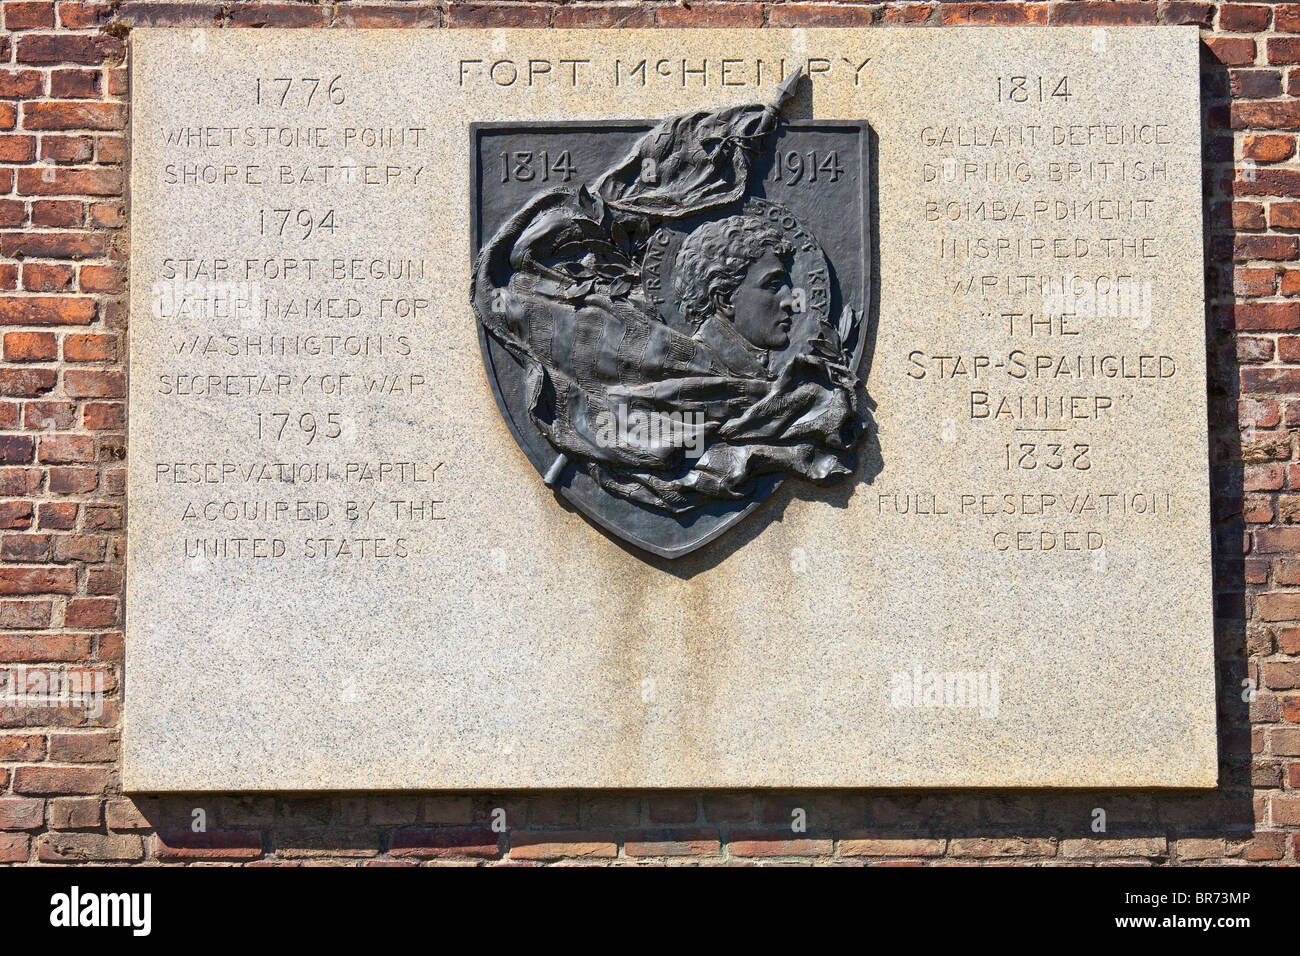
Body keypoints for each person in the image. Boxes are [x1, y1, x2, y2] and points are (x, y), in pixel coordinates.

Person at [674, 215, 797, 379]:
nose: (791, 301)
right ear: (725, 301)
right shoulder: (696, 371)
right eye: (772, 285)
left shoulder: (750, 363)